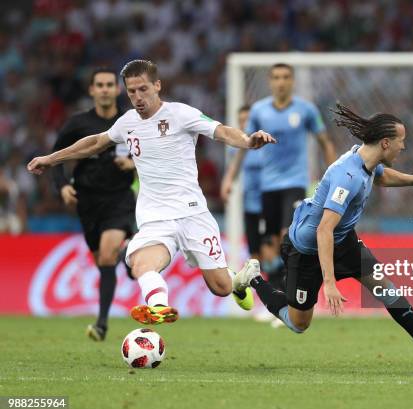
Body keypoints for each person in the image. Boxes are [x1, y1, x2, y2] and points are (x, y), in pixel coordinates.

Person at [28, 59, 276, 325]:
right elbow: (96, 143)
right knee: (140, 264)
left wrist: (248, 141)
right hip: (155, 217)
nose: (137, 97)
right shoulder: (127, 123)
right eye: (131, 91)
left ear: (157, 85)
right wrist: (52, 159)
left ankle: (238, 281)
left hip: (192, 214)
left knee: (221, 287)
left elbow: (222, 131)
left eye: (143, 89)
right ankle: (158, 307)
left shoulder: (181, 114)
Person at [232, 103, 413, 369]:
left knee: (385, 288)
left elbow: (382, 176)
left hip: (342, 241)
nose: (404, 147)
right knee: (298, 324)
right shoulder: (348, 175)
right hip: (307, 249)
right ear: (386, 143)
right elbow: (323, 230)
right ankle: (254, 278)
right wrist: (329, 281)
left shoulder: (366, 159)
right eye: (402, 141)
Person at [51, 68, 135, 341]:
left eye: (110, 84)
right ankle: (127, 255)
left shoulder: (130, 121)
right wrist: (62, 185)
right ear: (91, 90)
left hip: (119, 198)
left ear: (117, 89)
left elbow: (154, 154)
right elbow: (56, 157)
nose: (105, 89)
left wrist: (133, 163)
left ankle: (101, 324)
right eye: (99, 85)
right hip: (87, 202)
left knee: (108, 255)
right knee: (102, 261)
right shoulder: (78, 124)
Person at [245, 63, 336, 283]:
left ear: (292, 81)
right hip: (267, 185)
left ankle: (292, 291)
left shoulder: (306, 110)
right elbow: (246, 143)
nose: (281, 82)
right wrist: (231, 176)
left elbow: (324, 141)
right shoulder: (258, 111)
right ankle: (278, 295)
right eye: (276, 77)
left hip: (295, 182)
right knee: (269, 243)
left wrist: (334, 177)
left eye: (286, 77)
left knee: (289, 234)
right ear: (270, 81)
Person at [221, 104, 263, 260]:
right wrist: (228, 182)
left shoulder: (265, 145)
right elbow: (234, 169)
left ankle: (277, 280)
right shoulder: (236, 149)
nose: (245, 124)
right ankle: (262, 283)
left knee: (270, 250)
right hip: (249, 204)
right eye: (241, 121)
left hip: (268, 202)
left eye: (248, 120)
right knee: (254, 253)